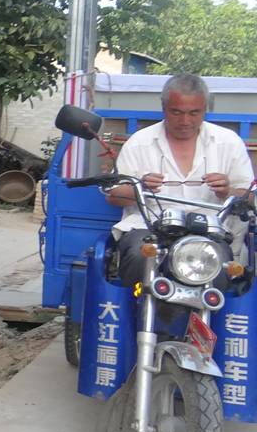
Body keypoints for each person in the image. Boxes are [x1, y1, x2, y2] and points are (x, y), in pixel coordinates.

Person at [106, 73, 254, 285]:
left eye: (194, 113)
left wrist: (227, 191)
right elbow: (113, 196)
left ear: (205, 109)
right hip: (148, 228)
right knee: (140, 256)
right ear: (163, 108)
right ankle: (137, 305)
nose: (185, 121)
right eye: (176, 112)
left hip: (210, 232)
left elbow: (249, 197)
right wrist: (139, 187)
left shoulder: (229, 142)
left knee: (217, 266)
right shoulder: (140, 142)